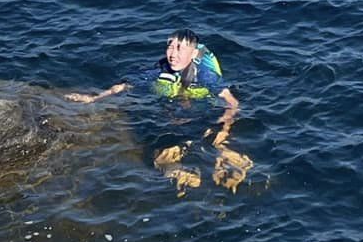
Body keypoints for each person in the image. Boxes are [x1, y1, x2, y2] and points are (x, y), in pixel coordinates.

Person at [69, 30, 251, 191]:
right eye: (170, 48)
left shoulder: (204, 75)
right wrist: (93, 98)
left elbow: (232, 103)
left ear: (194, 53)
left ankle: (223, 154)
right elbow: (123, 86)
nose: (173, 54)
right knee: (161, 158)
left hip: (203, 114)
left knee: (210, 137)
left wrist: (225, 130)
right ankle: (182, 172)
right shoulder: (160, 70)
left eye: (180, 49)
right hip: (176, 116)